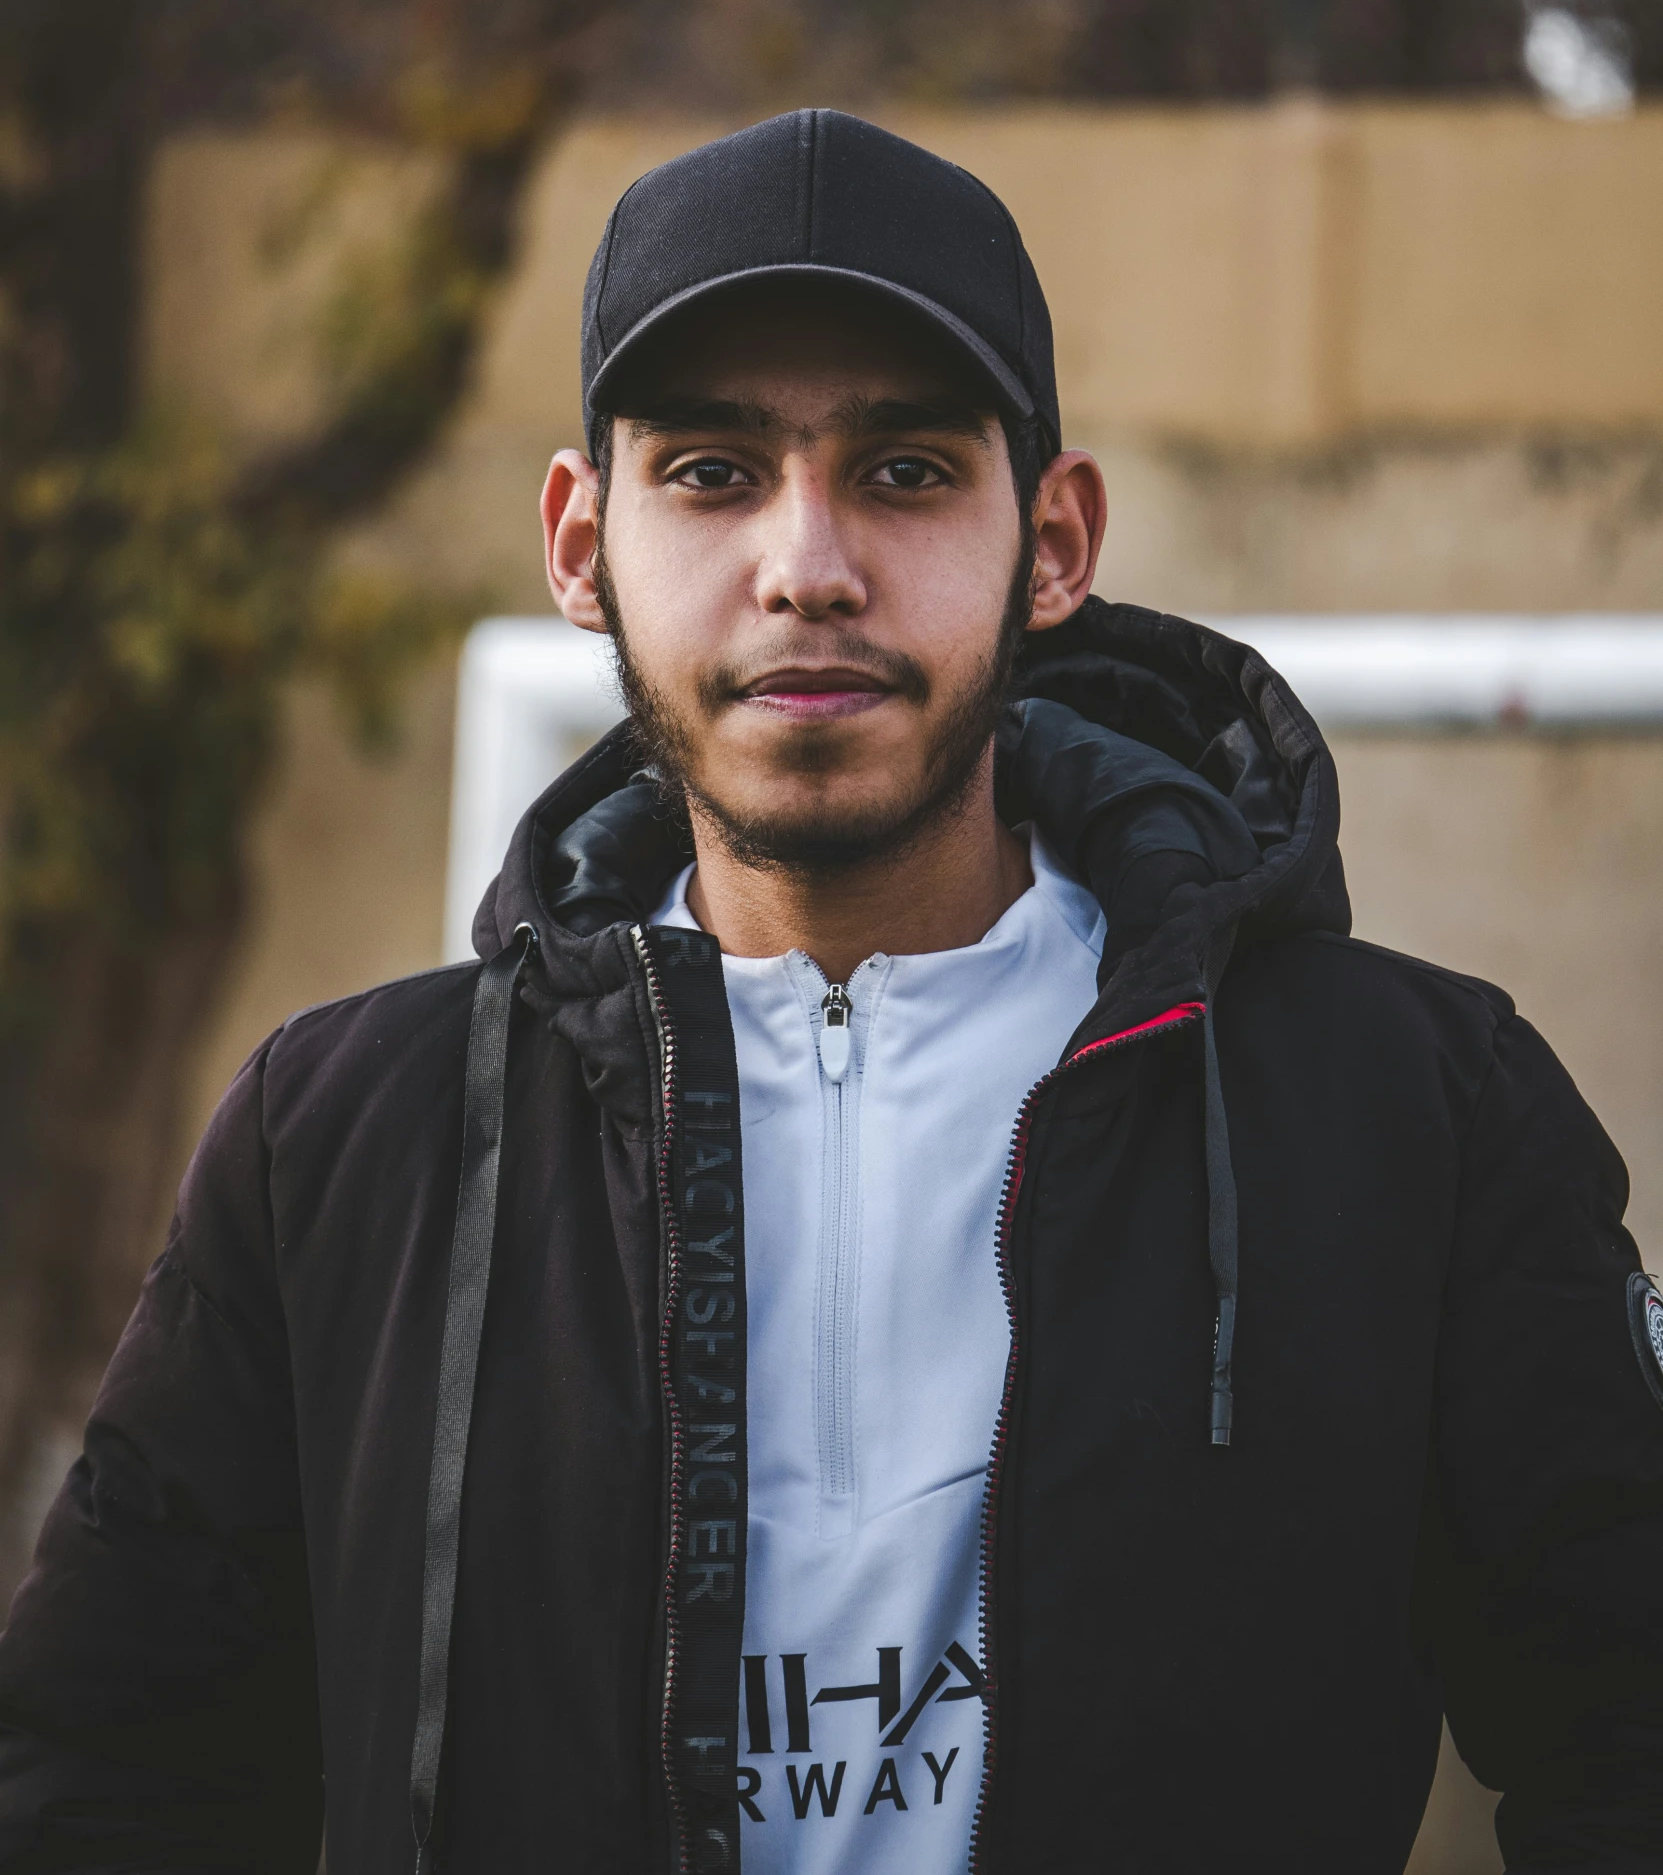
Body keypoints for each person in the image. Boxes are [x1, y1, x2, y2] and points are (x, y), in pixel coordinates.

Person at [1, 109, 1661, 1875]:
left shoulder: (1413, 1105)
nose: (807, 563)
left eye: (906, 468)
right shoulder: (340, 1144)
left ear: (1053, 536)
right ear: (580, 544)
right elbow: (105, 1785)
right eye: (711, 470)